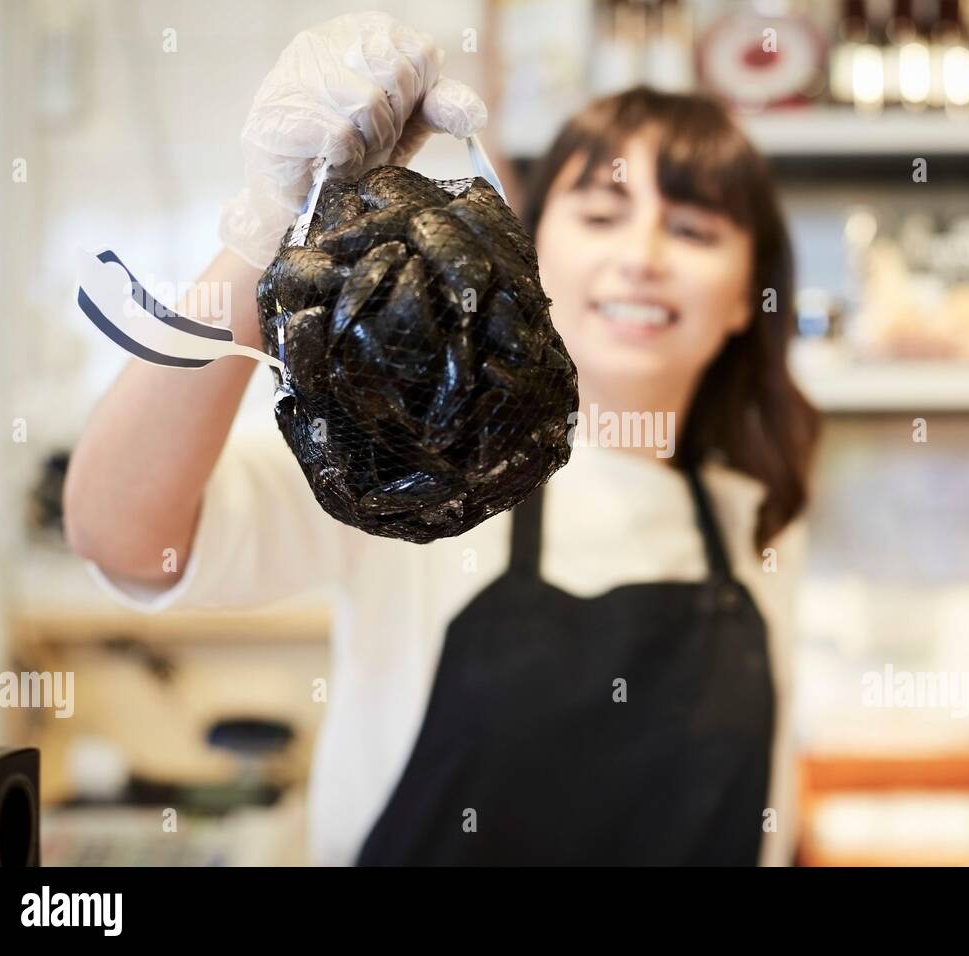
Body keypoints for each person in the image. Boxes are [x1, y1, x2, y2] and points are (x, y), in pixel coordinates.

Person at [64, 12, 819, 866]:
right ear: (530, 248)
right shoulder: (416, 456)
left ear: (742, 298)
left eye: (692, 229)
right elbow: (119, 534)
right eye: (604, 214)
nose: (642, 255)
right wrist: (265, 229)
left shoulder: (760, 518)